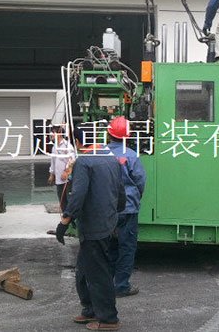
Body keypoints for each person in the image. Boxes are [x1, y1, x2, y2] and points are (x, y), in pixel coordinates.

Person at [55, 125, 126, 331]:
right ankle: (90, 309)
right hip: (107, 223)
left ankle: (109, 319)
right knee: (84, 271)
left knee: (98, 273)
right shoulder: (112, 159)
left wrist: (65, 220)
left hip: (94, 227)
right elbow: (120, 192)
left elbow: (78, 195)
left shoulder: (84, 162)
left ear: (77, 142)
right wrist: (114, 212)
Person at [106, 117, 146, 298]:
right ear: (127, 136)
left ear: (109, 133)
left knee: (109, 248)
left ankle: (106, 284)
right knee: (126, 248)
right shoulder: (131, 155)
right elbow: (140, 181)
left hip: (106, 209)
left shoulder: (101, 153)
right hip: (128, 209)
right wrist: (136, 198)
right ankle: (121, 286)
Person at [48, 125, 75, 211]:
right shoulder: (54, 147)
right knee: (62, 201)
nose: (50, 135)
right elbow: (53, 162)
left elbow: (72, 160)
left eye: (52, 133)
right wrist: (51, 175)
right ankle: (65, 217)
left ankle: (70, 218)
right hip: (59, 179)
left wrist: (66, 171)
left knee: (69, 201)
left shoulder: (67, 145)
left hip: (67, 180)